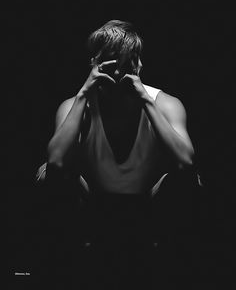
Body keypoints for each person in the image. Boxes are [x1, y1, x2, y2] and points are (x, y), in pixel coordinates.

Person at [35, 19, 199, 278]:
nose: (119, 71)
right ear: (95, 64)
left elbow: (186, 163)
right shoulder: (75, 106)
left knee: (188, 179)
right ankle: (60, 271)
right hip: (93, 203)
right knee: (49, 173)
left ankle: (178, 273)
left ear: (139, 64)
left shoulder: (165, 103)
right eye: (112, 62)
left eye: (128, 62)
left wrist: (144, 98)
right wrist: (83, 95)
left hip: (147, 203)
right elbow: (56, 162)